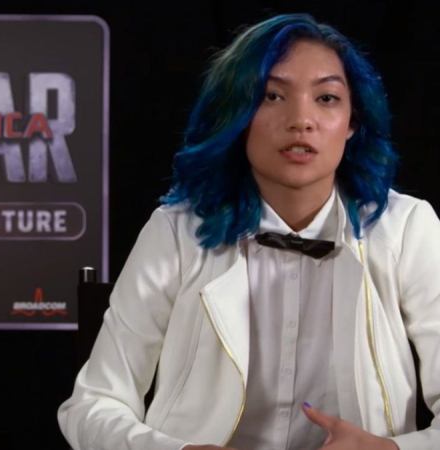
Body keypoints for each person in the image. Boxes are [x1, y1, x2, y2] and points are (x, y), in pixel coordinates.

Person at [58, 13, 439, 450]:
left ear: (353, 121)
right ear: (236, 115)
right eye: (272, 95)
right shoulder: (177, 231)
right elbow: (91, 406)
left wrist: (390, 449)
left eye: (327, 98)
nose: (301, 120)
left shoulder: (407, 229)